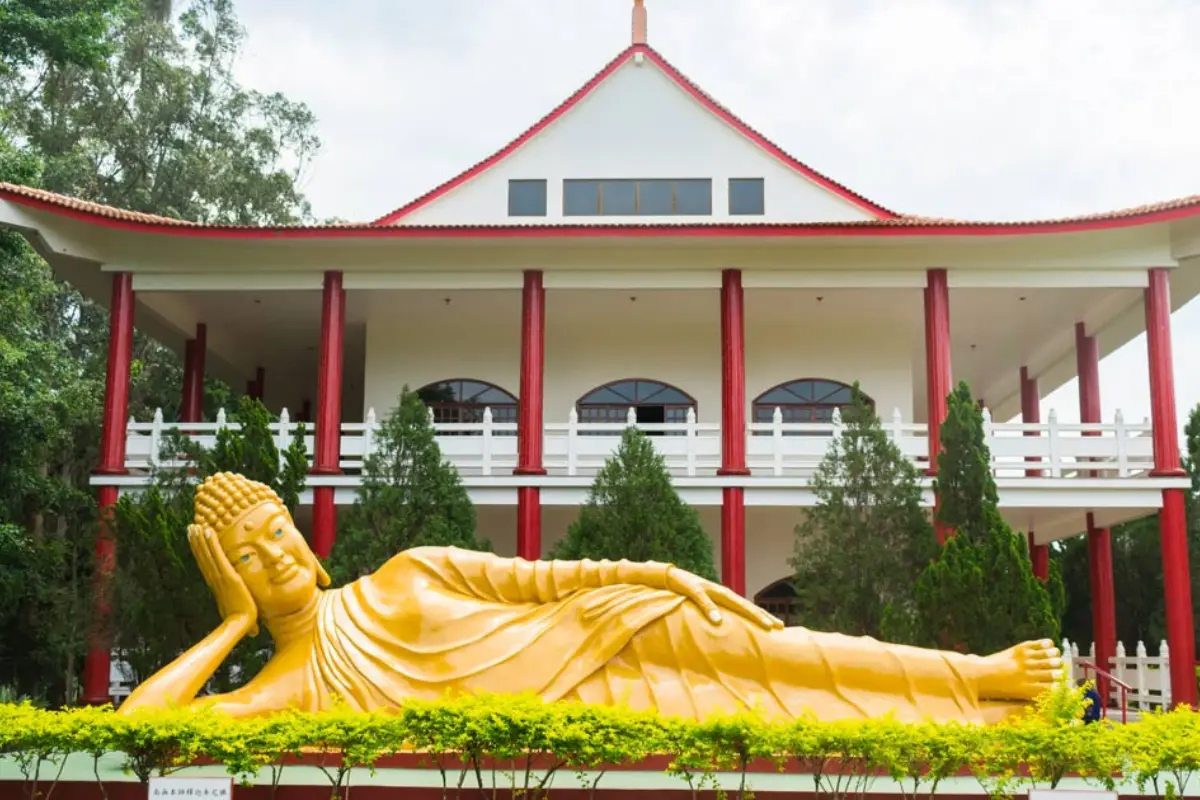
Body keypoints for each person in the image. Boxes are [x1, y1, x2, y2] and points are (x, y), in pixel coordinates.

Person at [119, 472, 1063, 723]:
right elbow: (146, 727)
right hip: (592, 705)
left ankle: (972, 675)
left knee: (784, 653)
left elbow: (544, 581)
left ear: (308, 540)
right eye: (249, 553)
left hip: (607, 626)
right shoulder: (294, 680)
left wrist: (661, 575)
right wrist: (235, 625)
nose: (275, 554)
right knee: (792, 711)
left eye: (280, 531)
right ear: (228, 570)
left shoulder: (405, 570)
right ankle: (963, 702)